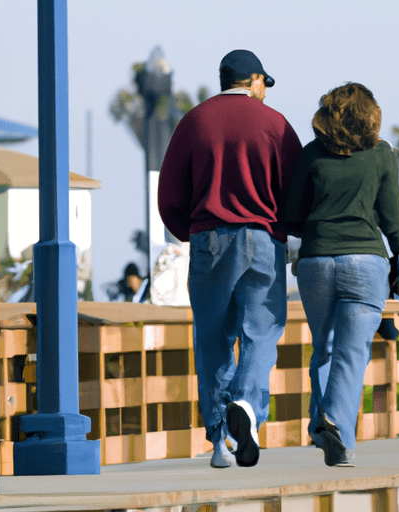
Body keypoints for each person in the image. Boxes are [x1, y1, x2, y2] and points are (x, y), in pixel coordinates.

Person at [158, 49, 302, 468]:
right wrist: (289, 231)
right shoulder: (274, 124)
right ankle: (247, 405)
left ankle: (220, 439)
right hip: (262, 239)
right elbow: (295, 188)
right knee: (261, 331)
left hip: (209, 239)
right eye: (264, 84)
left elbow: (169, 193)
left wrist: (190, 232)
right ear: (254, 80)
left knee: (212, 339)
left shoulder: (195, 120)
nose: (264, 92)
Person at [285, 83, 399, 466]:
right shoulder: (382, 155)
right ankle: (337, 425)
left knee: (325, 346)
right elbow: (393, 220)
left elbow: (292, 216)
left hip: (316, 263)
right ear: (371, 115)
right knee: (352, 350)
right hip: (365, 263)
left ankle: (327, 428)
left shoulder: (312, 155)